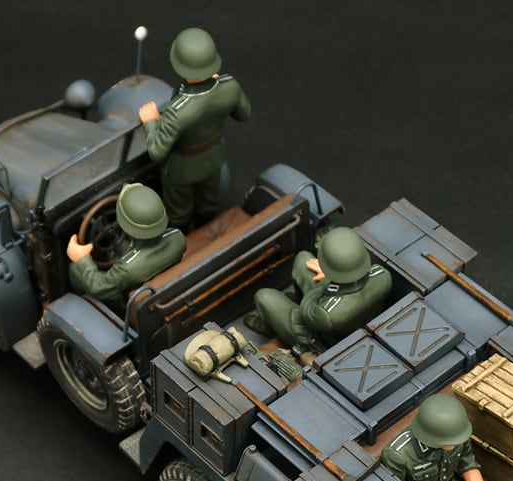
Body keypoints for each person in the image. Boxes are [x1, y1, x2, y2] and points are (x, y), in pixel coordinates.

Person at [138, 27, 251, 230]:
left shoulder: (177, 110)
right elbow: (244, 114)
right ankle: (206, 230)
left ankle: (182, 237)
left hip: (181, 169)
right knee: (208, 203)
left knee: (178, 212)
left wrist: (151, 121)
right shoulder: (230, 86)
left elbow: (156, 151)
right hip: (214, 156)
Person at [245, 227, 391, 353]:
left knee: (264, 297)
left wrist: (327, 276)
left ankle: (274, 327)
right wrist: (332, 275)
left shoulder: (325, 314)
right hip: (349, 310)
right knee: (303, 259)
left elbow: (306, 307)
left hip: (324, 339)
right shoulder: (383, 275)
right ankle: (289, 307)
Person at [67, 183, 185, 311]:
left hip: (127, 299)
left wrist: (82, 258)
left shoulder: (127, 269)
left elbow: (98, 286)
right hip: (155, 278)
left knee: (74, 268)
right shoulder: (177, 236)